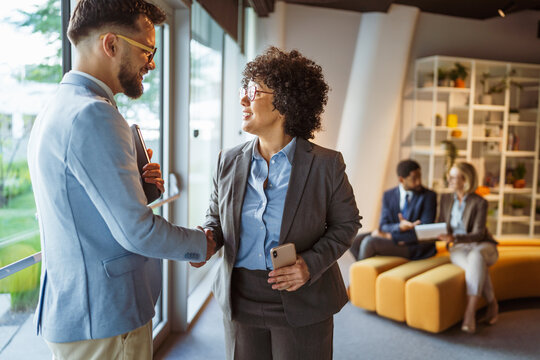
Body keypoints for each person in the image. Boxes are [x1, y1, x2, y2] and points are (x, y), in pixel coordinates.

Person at [27, 1, 214, 358]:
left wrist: (140, 191)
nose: (152, 63)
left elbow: (82, 209)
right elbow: (137, 231)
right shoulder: (95, 114)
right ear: (111, 45)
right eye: (147, 50)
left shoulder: (57, 106)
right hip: (105, 317)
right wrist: (200, 244)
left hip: (77, 310)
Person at [195, 47, 361, 360]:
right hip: (240, 298)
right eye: (243, 90)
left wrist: (309, 265)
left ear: (284, 102)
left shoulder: (326, 164)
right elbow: (215, 219)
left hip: (303, 298)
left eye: (253, 91)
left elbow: (347, 224)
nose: (243, 99)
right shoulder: (227, 160)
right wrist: (204, 239)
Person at [438, 162, 499, 334]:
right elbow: (441, 224)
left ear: (465, 180)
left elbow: (479, 233)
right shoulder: (445, 199)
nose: (448, 180)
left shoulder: (479, 202)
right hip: (458, 248)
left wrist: (454, 237)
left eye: (453, 176)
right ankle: (492, 304)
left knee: (476, 255)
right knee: (476, 265)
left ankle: (469, 313)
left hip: (482, 246)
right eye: (449, 176)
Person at [349, 159, 437, 260]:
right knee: (355, 241)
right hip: (396, 236)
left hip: (414, 245)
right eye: (414, 178)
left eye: (419, 176)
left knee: (369, 242)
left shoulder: (429, 196)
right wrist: (399, 227)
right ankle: (367, 272)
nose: (419, 182)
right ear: (401, 180)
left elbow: (425, 230)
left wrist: (388, 236)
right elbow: (383, 225)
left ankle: (362, 274)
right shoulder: (388, 195)